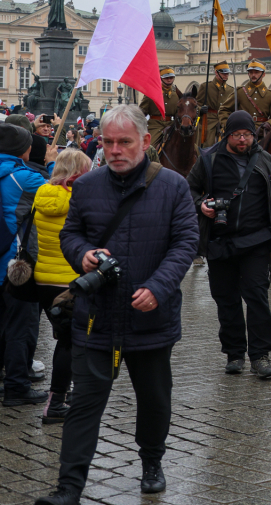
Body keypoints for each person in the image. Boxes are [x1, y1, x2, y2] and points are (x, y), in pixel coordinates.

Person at [35, 105, 198, 505]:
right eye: (107, 142)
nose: (114, 150)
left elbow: (186, 243)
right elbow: (70, 235)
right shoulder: (87, 185)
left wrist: (159, 287)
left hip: (150, 317)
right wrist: (84, 254)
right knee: (84, 407)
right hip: (96, 318)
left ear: (144, 141)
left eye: (124, 142)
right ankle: (68, 488)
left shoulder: (174, 186)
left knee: (155, 400)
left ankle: (152, 462)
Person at [186, 111, 271, 379]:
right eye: (237, 135)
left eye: (247, 135)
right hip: (219, 241)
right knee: (226, 299)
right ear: (228, 135)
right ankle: (234, 353)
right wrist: (200, 205)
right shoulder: (208, 158)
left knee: (257, 296)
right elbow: (187, 189)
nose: (242, 140)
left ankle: (260, 355)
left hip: (256, 241)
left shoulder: (266, 160)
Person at [30, 149, 93, 423]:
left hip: (43, 279)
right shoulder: (80, 200)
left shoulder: (41, 194)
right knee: (70, 342)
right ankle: (57, 402)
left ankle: (62, 397)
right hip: (71, 281)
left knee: (64, 339)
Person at [0, 125, 57, 408]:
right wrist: (52, 162)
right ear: (23, 150)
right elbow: (59, 192)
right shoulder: (23, 177)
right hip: (15, 265)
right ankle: (17, 387)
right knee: (20, 328)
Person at [218, 60, 271, 134]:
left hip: (263, 133)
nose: (253, 75)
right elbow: (223, 110)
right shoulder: (240, 92)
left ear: (263, 74)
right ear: (248, 74)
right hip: (243, 132)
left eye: (256, 72)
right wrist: (230, 126)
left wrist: (270, 124)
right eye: (251, 72)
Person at [139, 67, 181, 143]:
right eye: (166, 78)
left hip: (171, 126)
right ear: (160, 78)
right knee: (149, 148)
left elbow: (180, 111)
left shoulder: (177, 94)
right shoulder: (151, 93)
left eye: (171, 78)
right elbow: (142, 111)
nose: (169, 80)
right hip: (155, 126)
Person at [196, 62, 232, 148]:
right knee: (207, 144)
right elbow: (196, 104)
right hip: (209, 120)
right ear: (216, 72)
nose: (226, 75)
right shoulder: (206, 87)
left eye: (227, 73)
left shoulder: (231, 90)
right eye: (223, 73)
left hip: (224, 120)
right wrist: (200, 109)